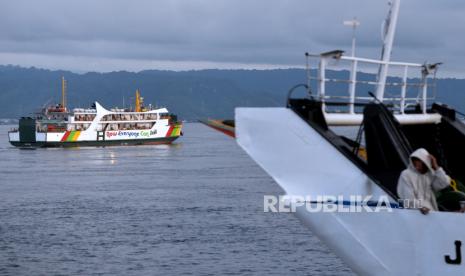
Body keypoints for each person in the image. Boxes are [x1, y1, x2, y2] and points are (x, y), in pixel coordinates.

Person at [397, 148, 451, 214]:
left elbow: (444, 183)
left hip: (432, 213)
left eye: (420, 165)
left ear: (426, 163)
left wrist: (436, 167)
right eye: (415, 164)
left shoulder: (429, 175)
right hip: (414, 214)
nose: (417, 167)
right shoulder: (406, 174)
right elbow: (407, 197)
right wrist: (420, 207)